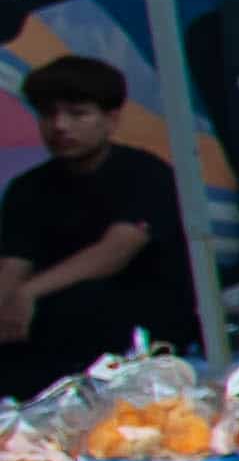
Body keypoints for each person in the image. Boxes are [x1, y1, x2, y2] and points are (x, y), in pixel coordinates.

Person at [0, 56, 202, 392]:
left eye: (77, 114)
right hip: (52, 323)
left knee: (77, 303)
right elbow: (13, 264)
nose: (60, 126)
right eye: (48, 114)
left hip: (140, 325)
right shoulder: (27, 188)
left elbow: (115, 251)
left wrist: (28, 292)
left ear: (110, 119)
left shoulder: (145, 173)